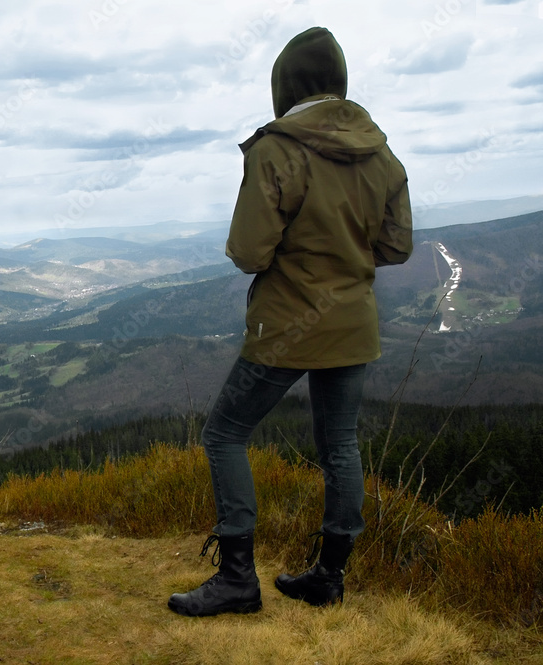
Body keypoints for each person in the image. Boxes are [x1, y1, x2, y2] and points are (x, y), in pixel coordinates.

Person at [168, 26, 412, 617]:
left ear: (285, 84)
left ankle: (236, 580)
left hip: (285, 324)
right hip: (353, 324)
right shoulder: (381, 154)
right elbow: (396, 247)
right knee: (340, 447)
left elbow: (249, 253)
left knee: (225, 435)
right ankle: (329, 577)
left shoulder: (277, 150)